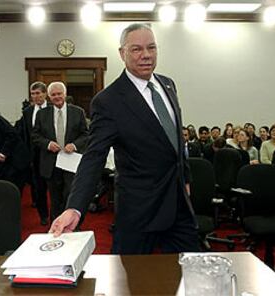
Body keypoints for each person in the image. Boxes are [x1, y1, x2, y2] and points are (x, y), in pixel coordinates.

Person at [49, 23, 200, 255]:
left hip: (179, 203)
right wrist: (75, 208)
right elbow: (94, 158)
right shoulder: (108, 101)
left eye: (151, 47)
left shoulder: (168, 85)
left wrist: (186, 177)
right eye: (136, 49)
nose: (146, 55)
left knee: (190, 275)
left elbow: (176, 141)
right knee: (132, 282)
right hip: (140, 210)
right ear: (122, 53)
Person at [31, 81, 88, 222]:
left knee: (70, 195)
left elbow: (86, 134)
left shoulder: (78, 112)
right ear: (49, 96)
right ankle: (56, 227)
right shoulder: (42, 114)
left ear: (65, 94)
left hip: (71, 161)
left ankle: (73, 226)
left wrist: (74, 145)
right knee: (55, 198)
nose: (57, 97)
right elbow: (35, 136)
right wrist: (48, 144)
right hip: (51, 162)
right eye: (53, 94)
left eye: (59, 94)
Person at [19, 81, 50, 226]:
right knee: (39, 188)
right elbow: (25, 135)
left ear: (45, 94)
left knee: (56, 186)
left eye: (38, 93)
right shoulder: (27, 112)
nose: (35, 96)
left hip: (51, 154)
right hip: (35, 156)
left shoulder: (53, 109)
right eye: (33, 94)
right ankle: (43, 215)